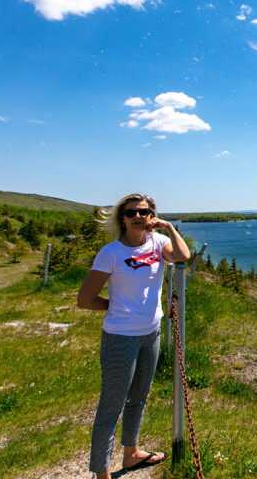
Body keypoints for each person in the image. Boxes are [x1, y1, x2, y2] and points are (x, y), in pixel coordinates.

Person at [77, 193, 190, 478]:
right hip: (120, 337)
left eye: (144, 211)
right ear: (122, 219)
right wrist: (117, 307)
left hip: (150, 333)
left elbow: (183, 256)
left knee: (139, 397)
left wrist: (168, 227)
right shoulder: (111, 253)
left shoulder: (158, 243)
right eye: (131, 213)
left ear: (152, 214)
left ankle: (131, 454)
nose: (138, 217)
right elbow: (86, 299)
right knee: (111, 405)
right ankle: (100, 472)